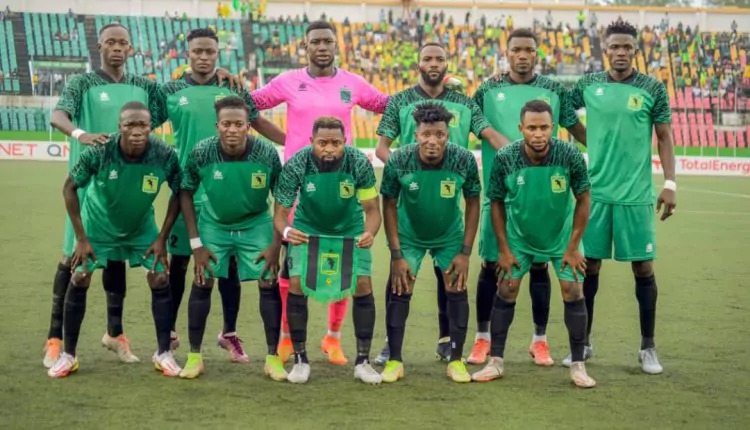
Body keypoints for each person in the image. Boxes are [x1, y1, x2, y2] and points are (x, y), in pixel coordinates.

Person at [251, 20, 389, 365]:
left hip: (342, 186)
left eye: (328, 41)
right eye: (316, 41)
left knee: (343, 259)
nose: (322, 46)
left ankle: (333, 338)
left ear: (335, 45)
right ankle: (287, 338)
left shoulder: (352, 83)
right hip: (300, 184)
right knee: (291, 265)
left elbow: (387, 105)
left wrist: (426, 94)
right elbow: (249, 106)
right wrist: (287, 140)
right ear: (306, 46)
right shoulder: (288, 81)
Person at [154, 27, 285, 361]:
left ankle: (229, 333)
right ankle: (169, 334)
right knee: (181, 263)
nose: (203, 57)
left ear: (218, 53)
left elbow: (257, 123)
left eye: (209, 51)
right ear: (187, 54)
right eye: (197, 51)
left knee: (229, 266)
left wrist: (295, 143)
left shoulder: (232, 88)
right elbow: (142, 123)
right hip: (187, 189)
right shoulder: (170, 90)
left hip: (227, 191)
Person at [373, 42, 503, 364]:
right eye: (428, 58)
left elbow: (489, 134)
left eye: (439, 58)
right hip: (411, 200)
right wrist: (406, 173)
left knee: (449, 275)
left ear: (447, 63)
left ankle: (447, 340)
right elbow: (381, 148)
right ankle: (391, 343)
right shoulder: (400, 101)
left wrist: (518, 155)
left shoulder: (464, 103)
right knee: (400, 276)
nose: (433, 63)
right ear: (418, 63)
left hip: (448, 201)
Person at [44, 23, 162, 368]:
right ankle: (55, 339)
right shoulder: (82, 83)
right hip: (87, 186)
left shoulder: (143, 86)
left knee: (116, 257)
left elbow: (172, 101)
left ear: (131, 49)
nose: (117, 48)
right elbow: (58, 115)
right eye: (111, 42)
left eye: (123, 43)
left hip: (126, 186)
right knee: (72, 258)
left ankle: (115, 334)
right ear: (99, 47)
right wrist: (80, 134)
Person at [469, 27, 587, 366]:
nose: (522, 55)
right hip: (501, 193)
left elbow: (573, 125)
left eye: (529, 50)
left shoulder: (553, 89)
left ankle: (540, 340)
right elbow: (471, 119)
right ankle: (482, 338)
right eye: (516, 50)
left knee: (539, 266)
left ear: (537, 53)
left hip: (540, 194)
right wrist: (502, 144)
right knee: (492, 265)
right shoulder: (488, 88)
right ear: (507, 53)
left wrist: (603, 147)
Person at [569, 19, 676, 373]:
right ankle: (583, 344)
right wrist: (588, 139)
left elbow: (664, 136)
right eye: (614, 46)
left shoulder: (652, 88)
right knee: (589, 266)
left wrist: (671, 183)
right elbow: (563, 111)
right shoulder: (588, 84)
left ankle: (648, 348)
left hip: (635, 195)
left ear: (635, 50)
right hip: (596, 194)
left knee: (643, 267)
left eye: (627, 47)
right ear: (604, 49)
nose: (620, 52)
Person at [47, 102, 182, 378]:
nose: (137, 131)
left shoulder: (163, 153)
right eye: (130, 125)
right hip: (98, 226)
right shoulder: (101, 150)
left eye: (143, 125)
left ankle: (163, 353)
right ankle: (69, 356)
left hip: (140, 227)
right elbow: (69, 188)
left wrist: (162, 237)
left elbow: (180, 191)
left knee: (160, 278)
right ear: (119, 127)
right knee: (80, 277)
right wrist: (81, 238)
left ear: (151, 127)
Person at [471, 100, 595, 388]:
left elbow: (584, 199)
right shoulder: (506, 157)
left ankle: (578, 365)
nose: (538, 134)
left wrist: (573, 246)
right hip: (520, 238)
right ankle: (496, 362)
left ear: (553, 128)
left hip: (561, 238)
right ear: (521, 128)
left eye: (544, 128)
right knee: (507, 288)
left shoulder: (569, 155)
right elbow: (496, 202)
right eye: (532, 128)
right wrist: (504, 249)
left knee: (573, 290)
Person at [177, 96, 285, 380]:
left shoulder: (266, 153)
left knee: (268, 280)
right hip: (215, 225)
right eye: (226, 124)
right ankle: (194, 357)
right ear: (217, 126)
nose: (232, 129)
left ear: (248, 126)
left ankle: (273, 358)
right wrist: (196, 245)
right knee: (202, 279)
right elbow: (185, 191)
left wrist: (276, 244)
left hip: (256, 223)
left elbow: (282, 198)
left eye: (239, 124)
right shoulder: (202, 152)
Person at [273, 116, 382, 384]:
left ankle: (363, 362)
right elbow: (280, 213)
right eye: (323, 143)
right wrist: (286, 232)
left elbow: (372, 210)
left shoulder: (358, 162)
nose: (329, 149)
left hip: (350, 232)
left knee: (363, 284)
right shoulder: (297, 163)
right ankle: (300, 360)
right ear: (312, 141)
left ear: (345, 141)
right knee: (296, 284)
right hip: (307, 232)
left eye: (336, 143)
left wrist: (369, 232)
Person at [379, 102, 480, 383]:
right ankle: (395, 361)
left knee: (456, 288)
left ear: (448, 135)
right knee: (400, 289)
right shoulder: (400, 160)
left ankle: (456, 360)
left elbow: (473, 202)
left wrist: (465, 252)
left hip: (449, 236)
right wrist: (396, 254)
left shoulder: (463, 160)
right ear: (416, 135)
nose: (432, 141)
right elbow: (388, 204)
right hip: (409, 236)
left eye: (439, 134)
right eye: (426, 134)